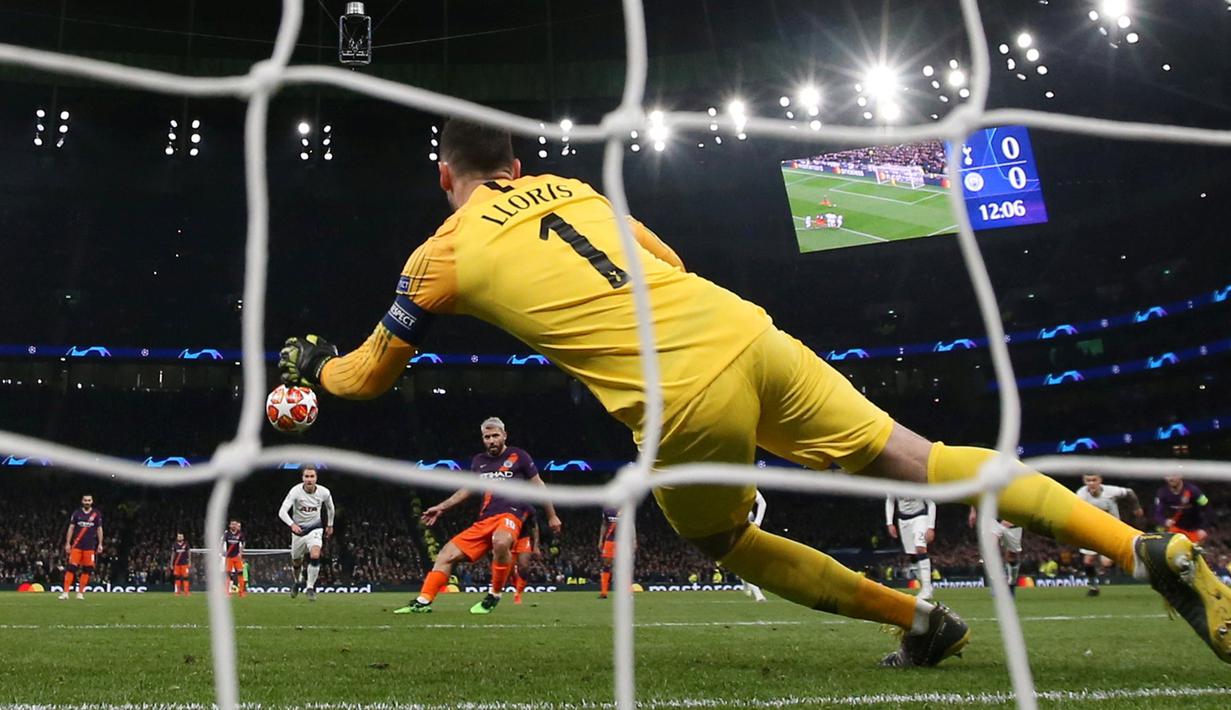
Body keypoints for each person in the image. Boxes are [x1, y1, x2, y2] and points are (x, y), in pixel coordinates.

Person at [280, 118, 1231, 666]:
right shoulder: (576, 190)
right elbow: (669, 260)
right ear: (518, 166)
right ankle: (1144, 546)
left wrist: (310, 368)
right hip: (742, 327)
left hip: (679, 395)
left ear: (446, 177)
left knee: (723, 539)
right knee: (916, 456)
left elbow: (366, 378)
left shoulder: (436, 254)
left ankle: (922, 623)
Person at [393, 417, 563, 615]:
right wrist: (442, 507)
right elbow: (467, 489)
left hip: (511, 513)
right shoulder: (478, 461)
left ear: (504, 435)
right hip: (485, 519)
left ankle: (494, 595)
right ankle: (423, 601)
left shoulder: (519, 456)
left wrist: (552, 516)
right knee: (445, 555)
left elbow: (539, 485)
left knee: (501, 542)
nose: (491, 440)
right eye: (487, 437)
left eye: (495, 436)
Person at [1076, 475, 1144, 596]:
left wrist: (1136, 507)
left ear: (1100, 480)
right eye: (1088, 480)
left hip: (1112, 530)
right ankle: (1093, 587)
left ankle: (1135, 574)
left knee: (1107, 563)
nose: (1091, 483)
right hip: (1092, 531)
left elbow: (1130, 492)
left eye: (1094, 480)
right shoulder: (1081, 494)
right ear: (1084, 481)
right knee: (1088, 561)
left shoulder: (1111, 491)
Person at [278, 467, 336, 601]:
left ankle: (310, 587)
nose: (309, 479)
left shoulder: (324, 492)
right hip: (298, 532)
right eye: (307, 476)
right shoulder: (295, 491)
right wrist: (292, 524)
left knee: (315, 554)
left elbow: (330, 508)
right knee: (296, 562)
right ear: (302, 478)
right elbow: (282, 511)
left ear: (316, 478)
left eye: (312, 476)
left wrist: (330, 524)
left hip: (315, 529)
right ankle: (297, 581)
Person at [886, 496, 936, 600]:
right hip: (903, 521)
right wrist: (889, 523)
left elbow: (931, 503)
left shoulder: (917, 482)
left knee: (920, 548)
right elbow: (890, 501)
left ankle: (926, 589)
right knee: (912, 555)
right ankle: (925, 587)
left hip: (920, 517)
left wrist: (931, 527)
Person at [967, 506, 1023, 597]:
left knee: (1012, 556)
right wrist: (973, 511)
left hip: (1013, 521)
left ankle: (1011, 583)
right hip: (992, 518)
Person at [59, 494, 103, 600]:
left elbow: (99, 529)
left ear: (92, 501)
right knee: (71, 568)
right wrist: (68, 543)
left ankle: (80, 593)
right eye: (85, 500)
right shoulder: (77, 513)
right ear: (82, 501)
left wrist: (100, 543)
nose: (87, 502)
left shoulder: (96, 514)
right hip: (77, 545)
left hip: (90, 546)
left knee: (87, 569)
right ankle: (65, 592)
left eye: (89, 500)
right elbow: (71, 528)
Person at [1155, 475, 1209, 543]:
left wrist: (1203, 528)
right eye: (1167, 476)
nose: (1170, 479)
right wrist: (1164, 521)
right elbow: (1158, 513)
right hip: (1174, 530)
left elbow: (1207, 508)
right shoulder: (1162, 493)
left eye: (1173, 475)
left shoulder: (1194, 491)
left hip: (1194, 531)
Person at [510, 507, 539, 604]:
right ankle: (516, 586)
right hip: (509, 537)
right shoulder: (505, 505)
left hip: (523, 538)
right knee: (509, 569)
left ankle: (518, 594)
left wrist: (536, 546)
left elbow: (535, 527)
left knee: (524, 566)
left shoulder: (528, 508)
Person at [743, 491, 767, 602]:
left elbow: (762, 503)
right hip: (732, 526)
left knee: (746, 562)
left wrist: (757, 523)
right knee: (742, 563)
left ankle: (756, 592)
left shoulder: (747, 486)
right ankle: (755, 591)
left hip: (746, 524)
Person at [598, 507, 619, 599]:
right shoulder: (607, 510)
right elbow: (604, 525)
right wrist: (600, 540)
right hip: (609, 540)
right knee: (606, 565)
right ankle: (604, 592)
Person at [222, 520, 246, 598]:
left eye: (235, 524)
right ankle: (227, 592)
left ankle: (241, 592)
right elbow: (223, 542)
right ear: (229, 526)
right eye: (232, 524)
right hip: (229, 557)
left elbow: (243, 543)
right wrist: (222, 551)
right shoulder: (227, 534)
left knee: (240, 573)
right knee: (228, 574)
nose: (234, 526)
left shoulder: (240, 534)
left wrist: (241, 552)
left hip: (237, 557)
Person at [171, 532, 191, 596]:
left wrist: (190, 561)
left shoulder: (186, 544)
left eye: (181, 536)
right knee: (177, 577)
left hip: (184, 563)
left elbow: (189, 552)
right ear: (177, 537)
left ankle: (186, 592)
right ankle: (177, 592)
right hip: (177, 564)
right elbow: (173, 554)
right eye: (179, 536)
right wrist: (171, 563)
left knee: (186, 577)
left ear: (183, 537)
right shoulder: (174, 544)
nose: (180, 537)